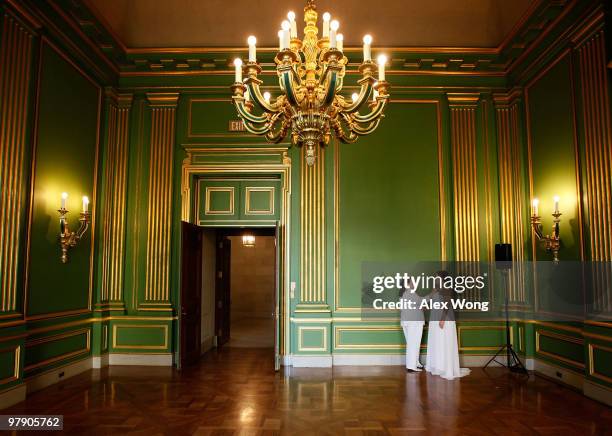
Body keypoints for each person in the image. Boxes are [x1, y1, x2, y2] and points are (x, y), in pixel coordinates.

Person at [425, 271, 470, 380]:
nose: (435, 278)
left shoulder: (446, 288)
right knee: (438, 342)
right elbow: (430, 302)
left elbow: (447, 304)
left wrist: (442, 320)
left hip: (444, 319)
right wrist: (432, 293)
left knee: (444, 342)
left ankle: (446, 367)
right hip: (434, 319)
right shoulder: (437, 289)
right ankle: (438, 366)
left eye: (436, 277)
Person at [400, 278, 424, 372]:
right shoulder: (411, 293)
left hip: (406, 321)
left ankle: (415, 363)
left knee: (412, 343)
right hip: (414, 322)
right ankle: (411, 366)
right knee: (414, 343)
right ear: (408, 284)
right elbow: (422, 302)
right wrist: (431, 294)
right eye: (412, 282)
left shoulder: (403, 293)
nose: (414, 284)